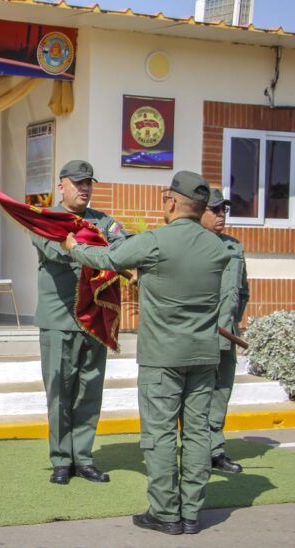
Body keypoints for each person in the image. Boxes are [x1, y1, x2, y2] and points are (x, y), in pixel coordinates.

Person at [62, 171, 230, 535]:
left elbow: (107, 257)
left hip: (162, 358)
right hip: (203, 355)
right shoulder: (219, 247)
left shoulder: (156, 241)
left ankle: (166, 513)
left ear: (170, 201)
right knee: (199, 433)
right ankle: (191, 514)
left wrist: (74, 246)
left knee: (161, 434)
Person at [32, 160, 128, 486]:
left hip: (94, 319)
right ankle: (62, 459)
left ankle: (83, 457)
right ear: (62, 186)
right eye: (78, 183)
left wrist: (94, 244)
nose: (85, 188)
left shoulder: (104, 221)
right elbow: (58, 250)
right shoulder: (46, 219)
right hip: (59, 318)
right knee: (60, 392)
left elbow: (124, 245)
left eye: (89, 183)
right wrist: (93, 246)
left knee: (89, 391)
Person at [201, 188, 249, 474]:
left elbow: (242, 291)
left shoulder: (234, 247)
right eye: (215, 210)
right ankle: (198, 450)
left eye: (224, 210)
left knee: (221, 392)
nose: (221, 216)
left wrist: (232, 322)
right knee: (198, 395)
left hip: (226, 333)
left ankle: (214, 450)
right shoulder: (192, 245)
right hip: (198, 334)